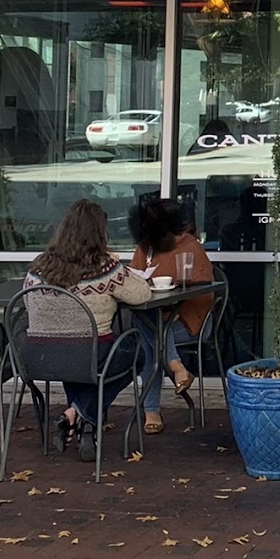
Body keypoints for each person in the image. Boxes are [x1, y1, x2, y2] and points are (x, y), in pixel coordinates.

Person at [22, 198, 152, 457]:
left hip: (42, 356)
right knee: (137, 352)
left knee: (75, 359)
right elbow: (142, 294)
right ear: (99, 233)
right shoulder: (104, 267)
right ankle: (79, 413)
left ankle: (86, 425)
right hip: (91, 354)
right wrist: (116, 264)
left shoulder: (38, 267)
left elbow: (28, 303)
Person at [129, 193, 214, 434]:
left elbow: (205, 293)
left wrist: (177, 311)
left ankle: (151, 410)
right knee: (150, 328)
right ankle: (177, 367)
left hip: (189, 322)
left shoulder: (190, 247)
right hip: (158, 320)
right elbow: (131, 282)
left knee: (151, 339)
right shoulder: (145, 248)